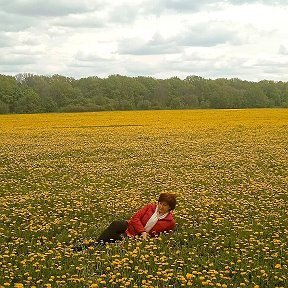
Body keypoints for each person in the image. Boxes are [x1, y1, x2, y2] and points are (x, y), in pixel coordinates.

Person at [74, 193, 176, 250]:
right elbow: (135, 218)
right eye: (160, 203)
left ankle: (88, 247)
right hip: (131, 226)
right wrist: (143, 231)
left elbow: (163, 236)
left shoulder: (170, 222)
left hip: (136, 237)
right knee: (115, 224)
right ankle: (95, 245)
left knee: (114, 238)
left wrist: (150, 238)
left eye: (165, 205)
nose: (161, 207)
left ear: (170, 208)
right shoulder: (150, 207)